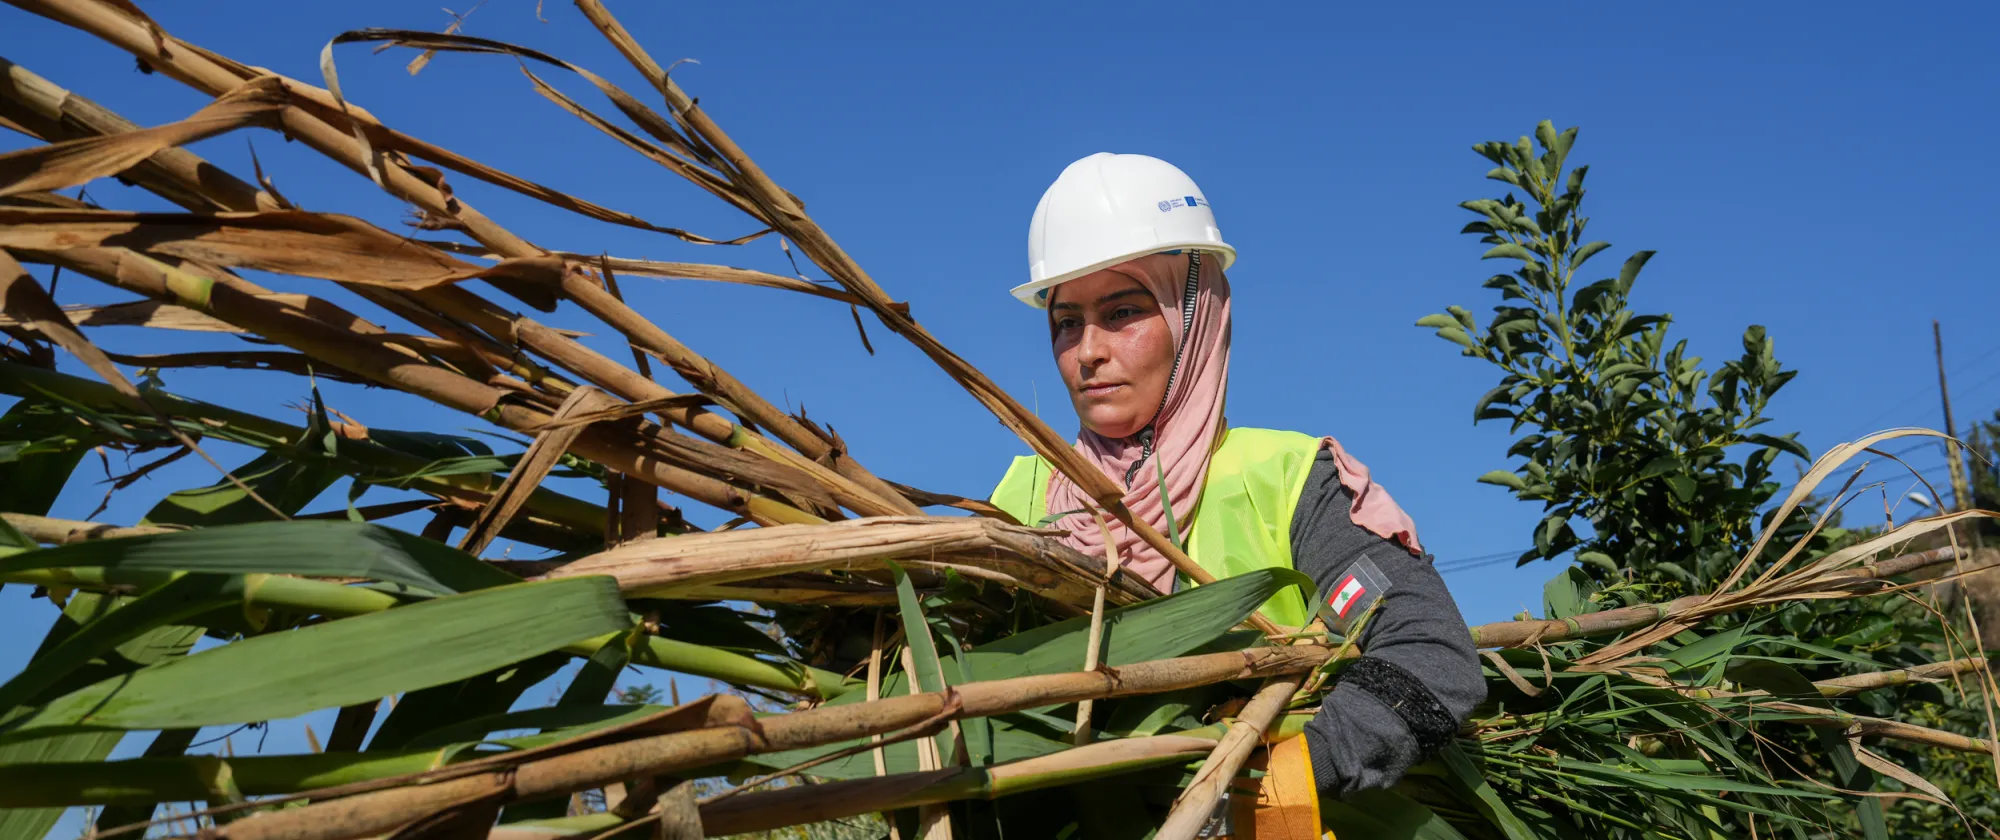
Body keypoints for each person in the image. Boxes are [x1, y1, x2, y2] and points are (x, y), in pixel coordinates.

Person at [988, 153, 1485, 799]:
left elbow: (1428, 653)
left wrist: (1268, 781)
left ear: (1194, 317)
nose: (1087, 352)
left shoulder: (1290, 478)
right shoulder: (1019, 499)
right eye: (1065, 323)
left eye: (1121, 313)